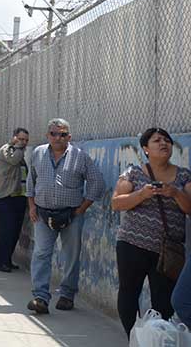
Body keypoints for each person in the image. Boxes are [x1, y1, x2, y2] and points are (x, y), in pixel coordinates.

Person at [111, 127, 191, 336]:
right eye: (157, 141)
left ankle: (159, 338)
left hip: (167, 251)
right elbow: (116, 203)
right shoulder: (133, 172)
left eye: (167, 140)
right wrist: (141, 194)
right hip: (132, 245)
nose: (163, 143)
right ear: (146, 149)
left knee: (164, 301)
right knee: (129, 293)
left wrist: (175, 193)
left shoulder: (184, 176)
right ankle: (133, 338)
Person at [26, 118, 106, 314]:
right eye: (53, 133)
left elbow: (97, 183)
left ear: (69, 137)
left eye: (62, 134)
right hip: (43, 213)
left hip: (71, 215)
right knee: (41, 254)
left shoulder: (80, 157)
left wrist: (82, 209)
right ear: (48, 135)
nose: (57, 138)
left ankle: (67, 295)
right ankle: (40, 297)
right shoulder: (38, 153)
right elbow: (31, 181)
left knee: (71, 255)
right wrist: (32, 207)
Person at [0, 128, 30, 273]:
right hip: (6, 197)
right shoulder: (7, 150)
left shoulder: (19, 153)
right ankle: (1, 261)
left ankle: (7, 260)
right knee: (7, 231)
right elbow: (13, 160)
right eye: (21, 139)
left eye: (26, 140)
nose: (24, 142)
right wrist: (17, 146)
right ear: (14, 138)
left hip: (19, 197)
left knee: (15, 231)